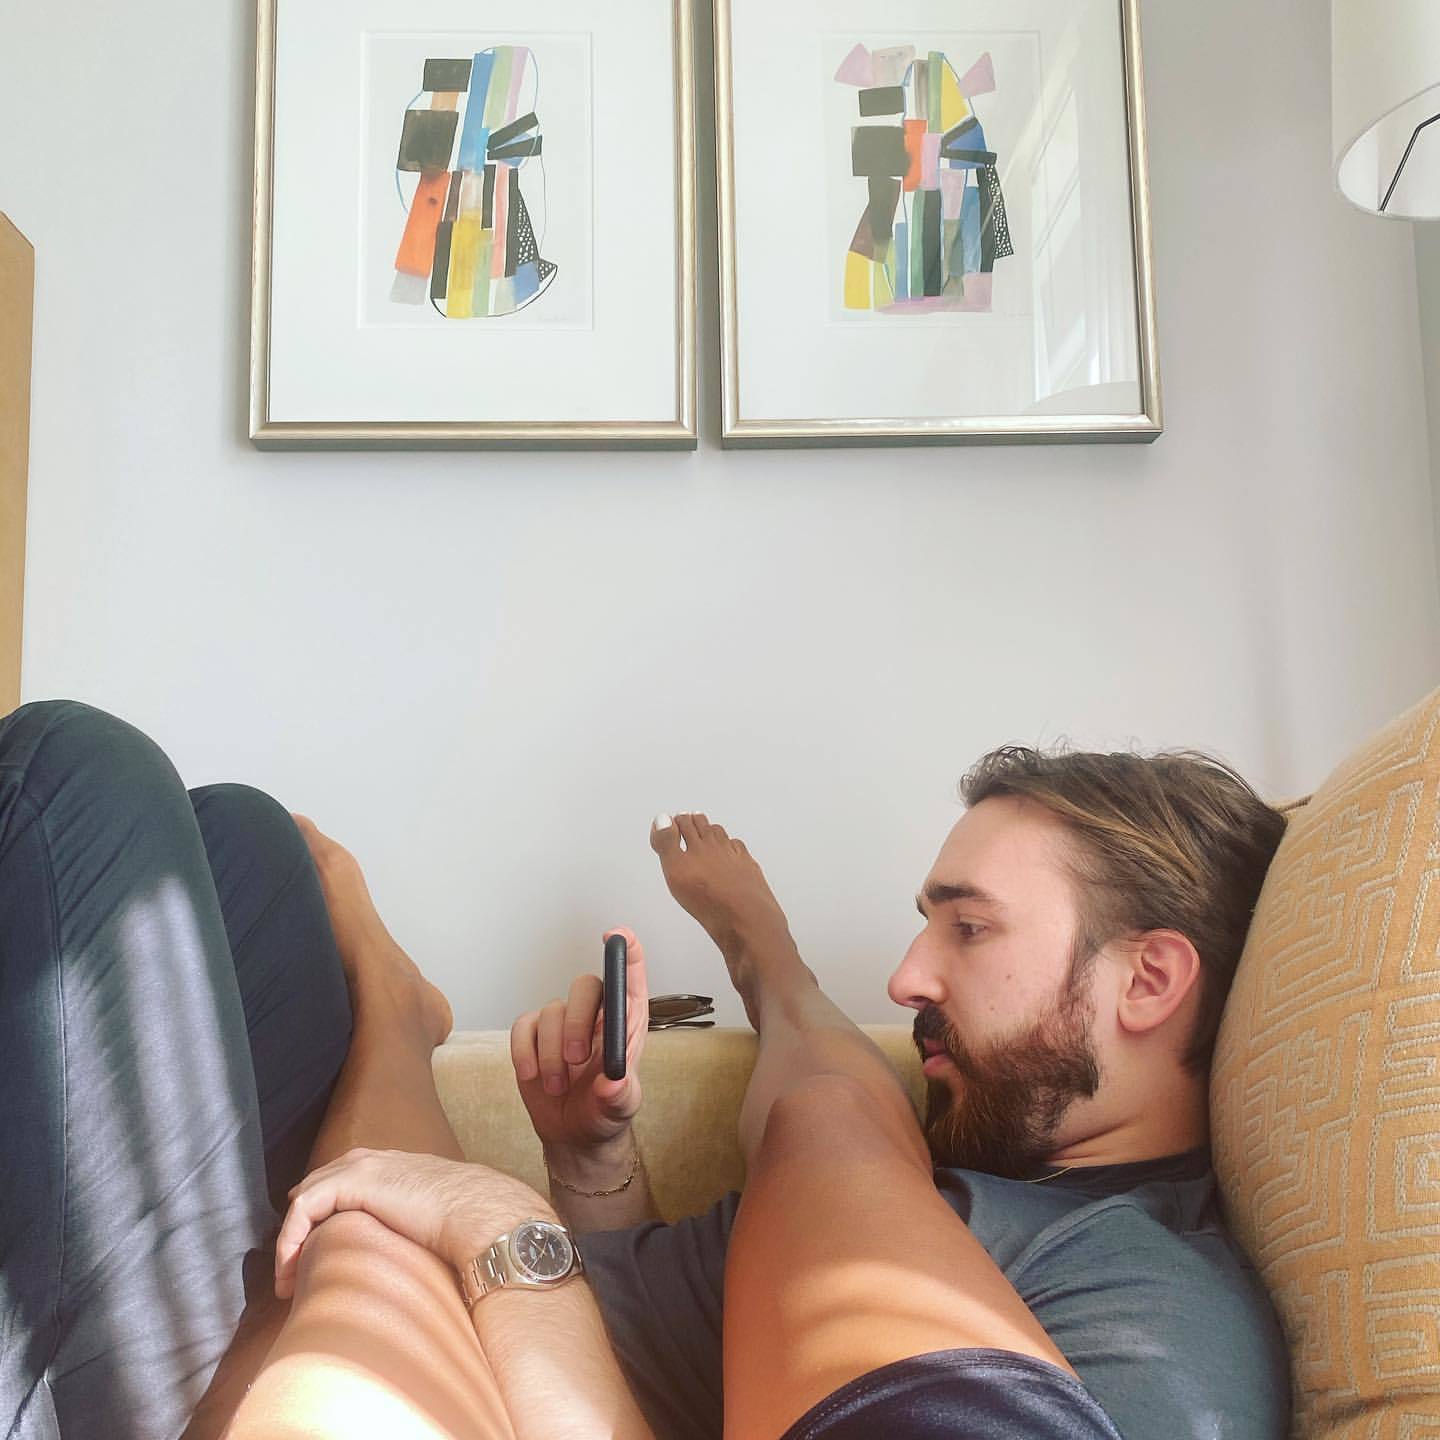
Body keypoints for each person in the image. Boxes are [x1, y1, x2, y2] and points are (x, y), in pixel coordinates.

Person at [0, 699, 1288, 1440]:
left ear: (1148, 981)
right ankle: (718, 969)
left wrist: (508, 1238)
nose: (907, 978)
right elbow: (665, 1343)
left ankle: (399, 1008)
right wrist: (593, 1168)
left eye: (970, 929)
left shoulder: (1155, 1308)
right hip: (384, 1299)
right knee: (242, 847)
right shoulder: (956, 1178)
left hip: (304, 1353)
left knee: (78, 774)